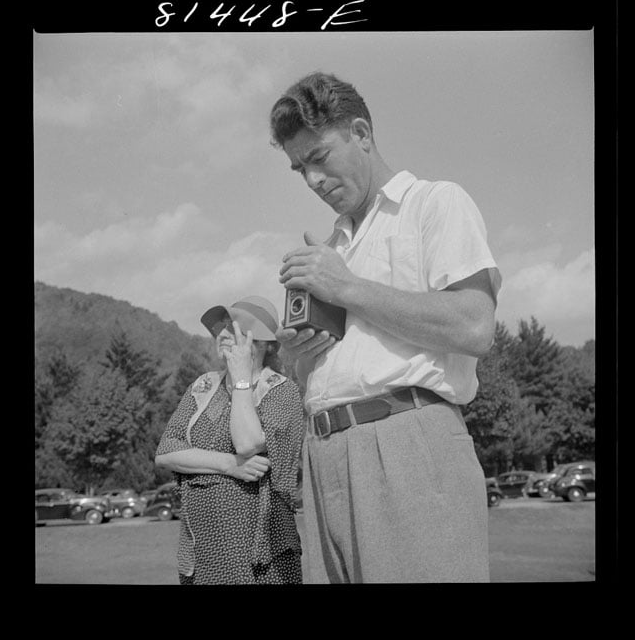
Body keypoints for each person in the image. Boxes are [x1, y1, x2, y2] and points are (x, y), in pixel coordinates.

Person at [270, 72, 502, 583]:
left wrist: (347, 288)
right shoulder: (334, 245)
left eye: (319, 158)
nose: (311, 180)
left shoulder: (435, 203)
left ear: (362, 134)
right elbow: (338, 370)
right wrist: (301, 355)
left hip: (409, 446)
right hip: (323, 456)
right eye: (298, 168)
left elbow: (475, 325)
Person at [154, 296, 304, 585]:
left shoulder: (281, 391)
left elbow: (248, 442)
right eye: (220, 327)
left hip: (260, 556)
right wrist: (229, 464)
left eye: (232, 328)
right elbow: (166, 451)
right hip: (202, 551)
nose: (221, 334)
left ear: (262, 342)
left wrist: (241, 379)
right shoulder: (203, 385)